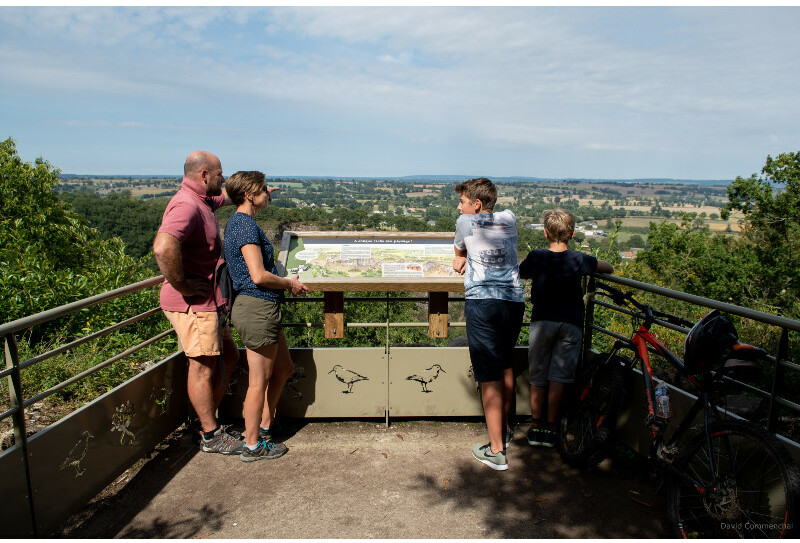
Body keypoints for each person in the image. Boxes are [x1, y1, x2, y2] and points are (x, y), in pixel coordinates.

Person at [153, 151, 243, 454]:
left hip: (208, 302)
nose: (223, 178)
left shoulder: (202, 200)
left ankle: (204, 422)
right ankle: (210, 435)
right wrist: (183, 285)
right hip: (194, 304)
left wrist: (257, 190)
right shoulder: (187, 205)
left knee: (229, 357)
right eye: (219, 174)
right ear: (205, 175)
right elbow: (163, 247)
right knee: (202, 366)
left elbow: (224, 197)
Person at [223, 171, 310, 462]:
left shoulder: (240, 221)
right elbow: (258, 275)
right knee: (258, 381)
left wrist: (265, 189)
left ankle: (264, 425)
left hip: (262, 307)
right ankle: (252, 445)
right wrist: (289, 284)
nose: (268, 194)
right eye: (263, 190)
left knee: (284, 368)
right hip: (256, 307)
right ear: (249, 195)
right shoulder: (245, 226)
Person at [518, 209, 613, 448]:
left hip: (542, 322)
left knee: (538, 374)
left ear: (545, 233)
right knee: (559, 377)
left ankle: (536, 425)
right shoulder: (579, 259)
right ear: (572, 234)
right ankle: (552, 427)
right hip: (571, 323)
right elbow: (608, 267)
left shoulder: (537, 256)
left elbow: (521, 271)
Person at [453, 178, 525, 471]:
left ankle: (496, 451)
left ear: (477, 204)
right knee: (505, 365)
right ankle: (504, 431)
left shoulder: (464, 223)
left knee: (489, 376)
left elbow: (459, 253)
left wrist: (460, 258)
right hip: (513, 301)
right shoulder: (510, 218)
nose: (459, 207)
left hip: (483, 302)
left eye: (462, 202)